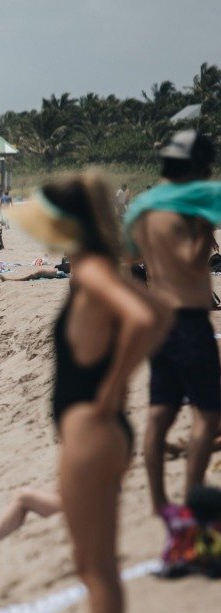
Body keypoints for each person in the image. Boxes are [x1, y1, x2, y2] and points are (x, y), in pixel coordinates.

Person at [13, 171, 170, 613]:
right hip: (100, 431)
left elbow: (149, 316)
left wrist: (111, 387)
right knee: (96, 567)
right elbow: (159, 310)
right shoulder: (99, 265)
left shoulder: (93, 268)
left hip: (91, 429)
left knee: (96, 570)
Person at [125, 131, 221, 520]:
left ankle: (158, 504)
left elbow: (131, 259)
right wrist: (203, 228)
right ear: (195, 168)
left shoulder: (145, 207)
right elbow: (190, 260)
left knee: (159, 414)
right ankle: (192, 500)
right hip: (188, 319)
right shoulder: (186, 209)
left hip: (158, 320)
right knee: (208, 413)